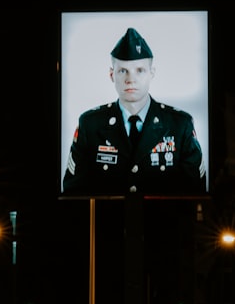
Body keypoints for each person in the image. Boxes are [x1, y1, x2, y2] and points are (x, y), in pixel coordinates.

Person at [62, 27, 206, 197]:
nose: (131, 79)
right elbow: (73, 194)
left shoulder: (179, 125)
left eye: (140, 70)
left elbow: (196, 194)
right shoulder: (90, 124)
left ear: (152, 73)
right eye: (123, 71)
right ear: (111, 75)